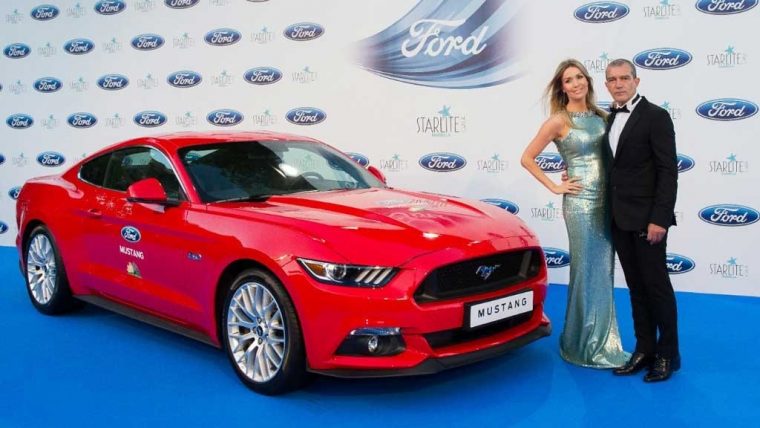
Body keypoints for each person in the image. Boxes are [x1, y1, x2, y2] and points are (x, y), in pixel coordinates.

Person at [521, 59, 629, 368]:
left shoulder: (602, 116)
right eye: (569, 80)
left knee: (603, 271)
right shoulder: (559, 120)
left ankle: (602, 340)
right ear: (562, 87)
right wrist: (555, 186)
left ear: (588, 81)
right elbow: (527, 158)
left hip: (608, 203)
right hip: (581, 205)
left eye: (580, 77)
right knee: (584, 270)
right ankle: (583, 345)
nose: (576, 83)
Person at [603, 59, 680, 382]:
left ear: (637, 80)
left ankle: (668, 354)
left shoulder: (656, 117)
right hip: (619, 217)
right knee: (636, 288)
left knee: (657, 287)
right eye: (612, 79)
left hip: (648, 220)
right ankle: (644, 349)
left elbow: (667, 171)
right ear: (606, 84)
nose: (618, 84)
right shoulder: (607, 119)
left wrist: (659, 218)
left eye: (624, 78)